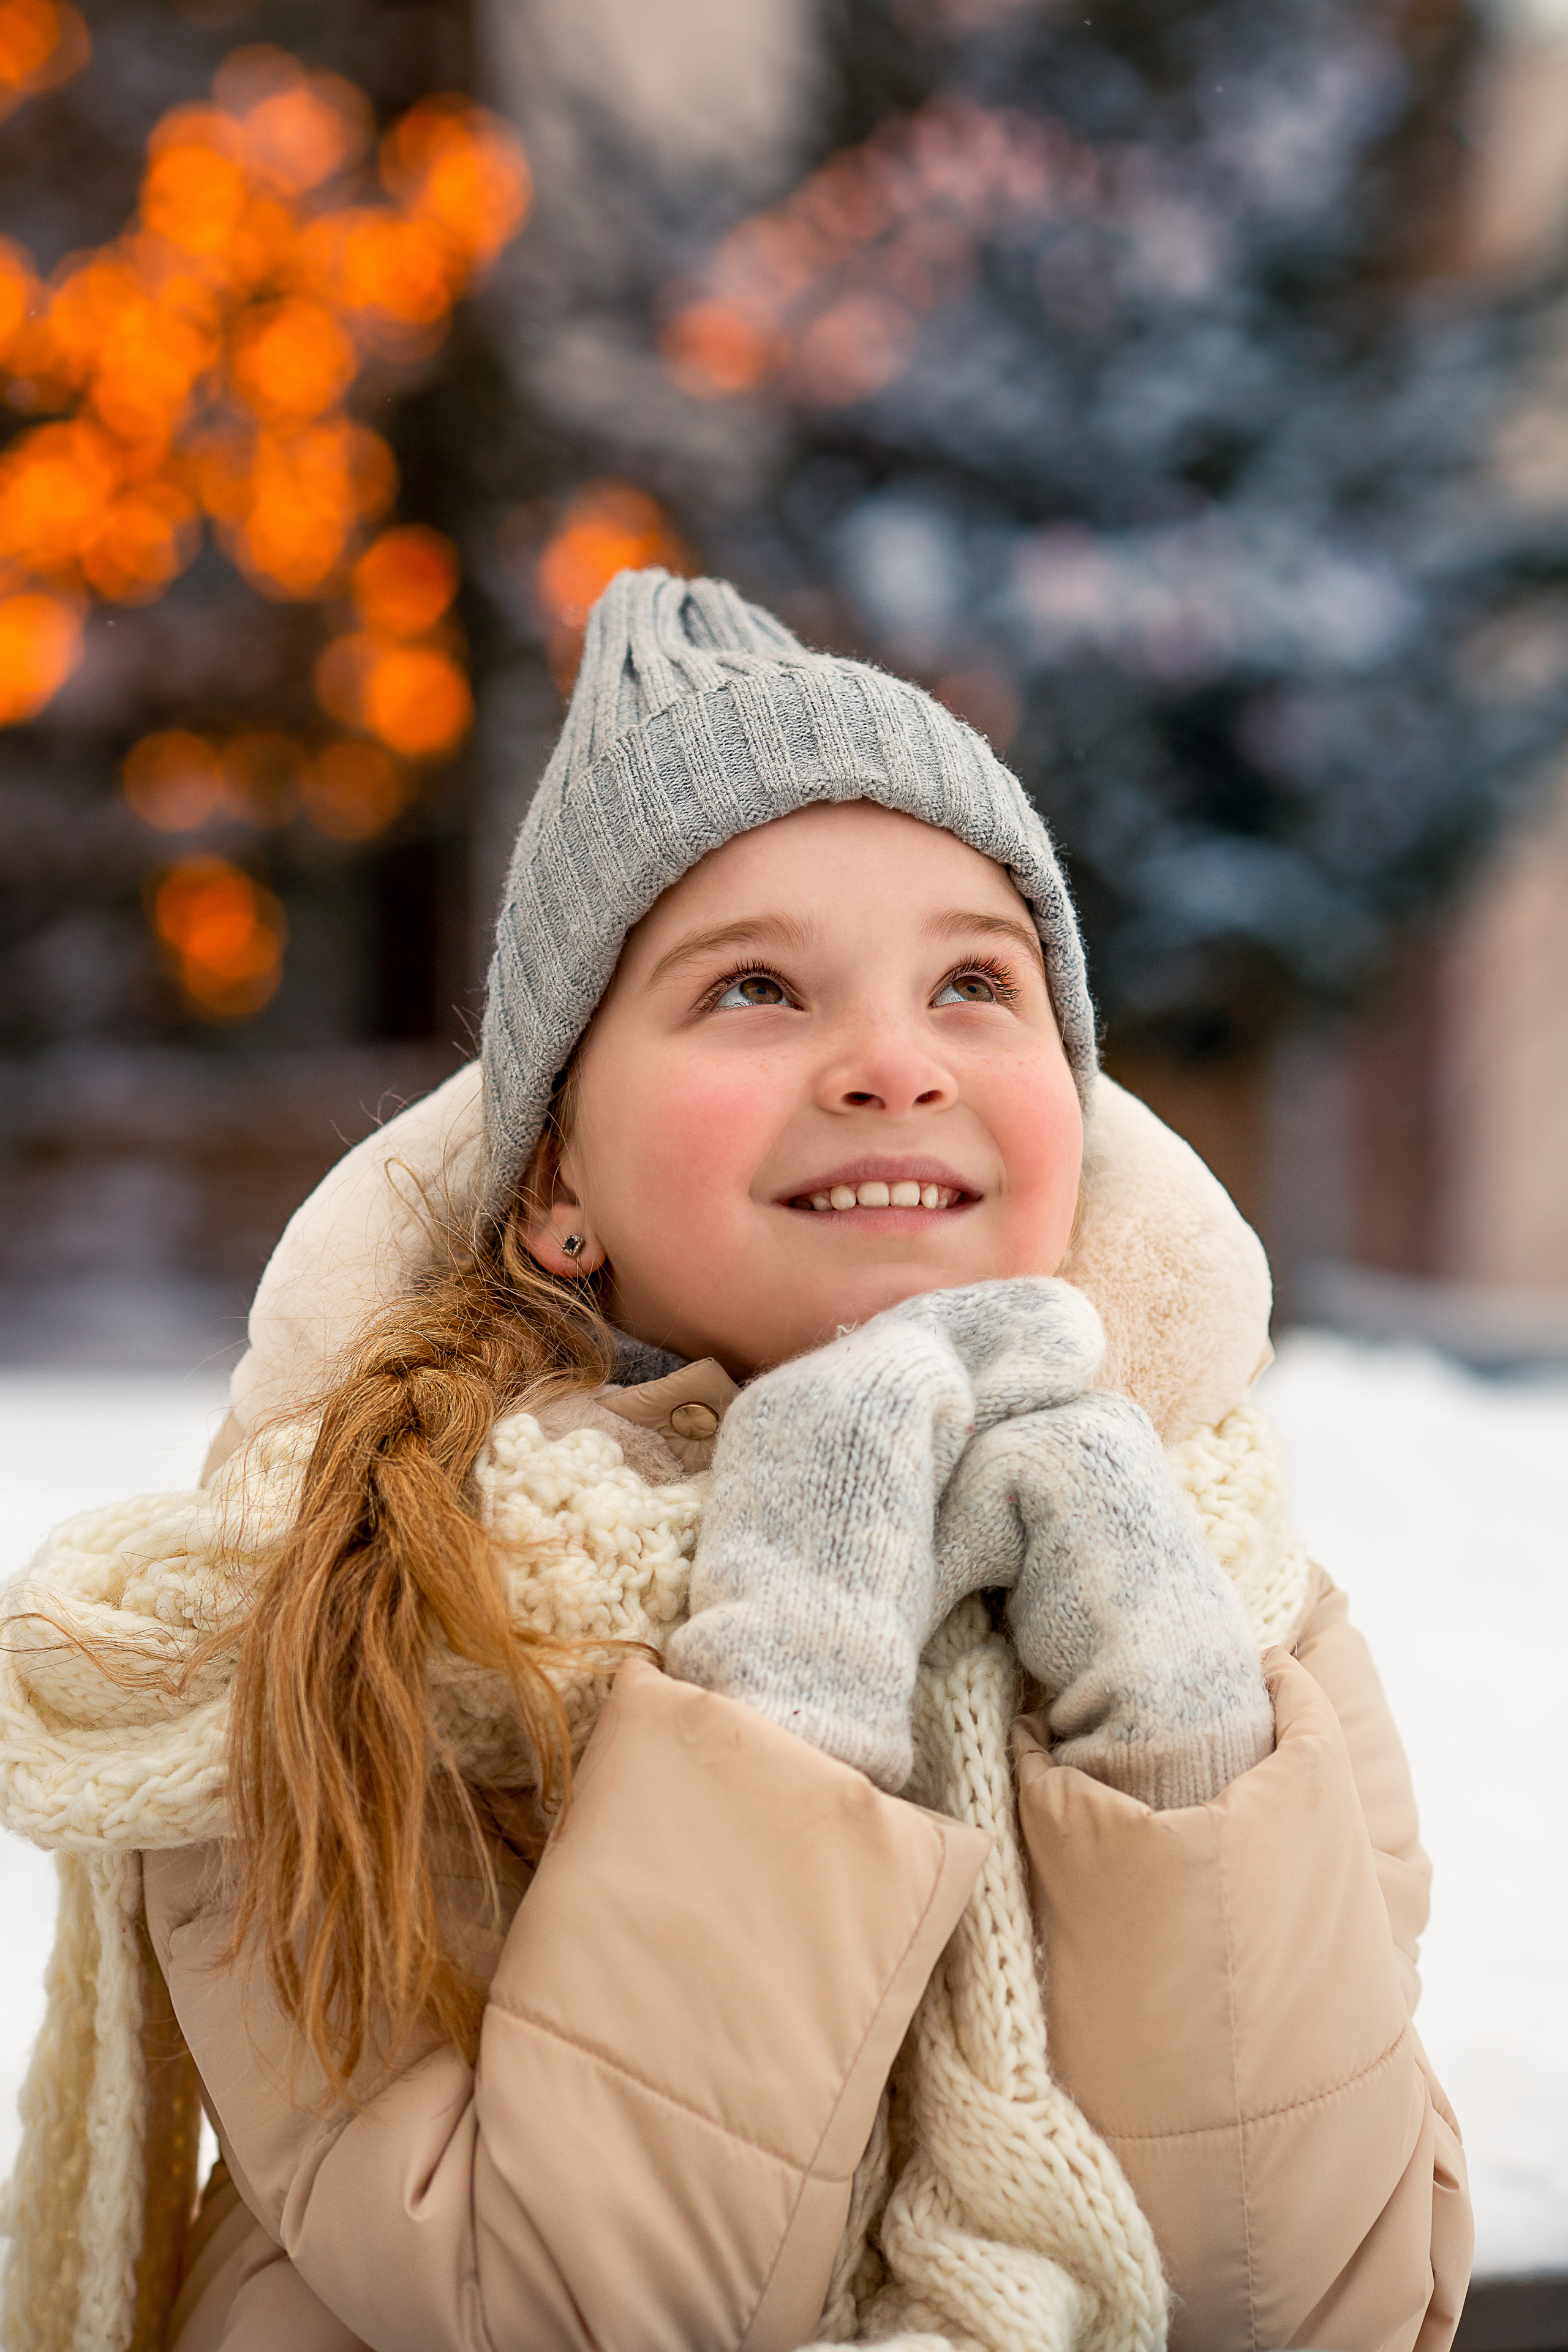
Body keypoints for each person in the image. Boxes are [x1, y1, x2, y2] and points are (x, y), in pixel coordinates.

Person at [0, 570, 1469, 2352]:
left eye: (975, 984)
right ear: (553, 1185)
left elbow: (1318, 2304)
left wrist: (1167, 1724)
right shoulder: (344, 1626)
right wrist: (795, 1632)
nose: (890, 1061)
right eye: (759, 986)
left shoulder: (1240, 1603)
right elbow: (568, 2308)